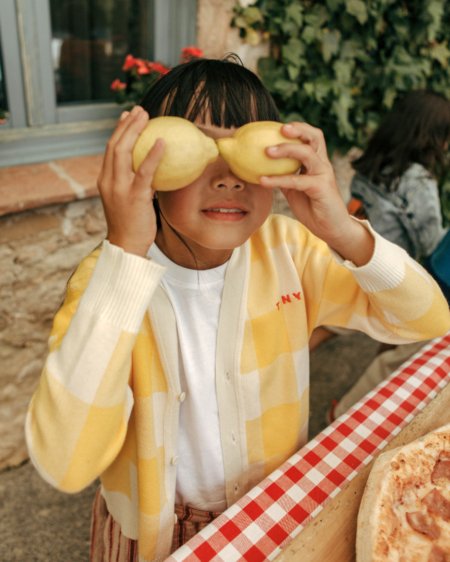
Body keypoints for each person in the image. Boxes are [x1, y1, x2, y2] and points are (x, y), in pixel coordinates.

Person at [25, 57, 450, 562]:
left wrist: (342, 229)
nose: (228, 177)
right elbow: (65, 463)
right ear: (146, 169)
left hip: (271, 514)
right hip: (150, 534)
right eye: (198, 148)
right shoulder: (107, 284)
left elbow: (428, 319)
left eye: (248, 150)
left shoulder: (290, 251)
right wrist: (124, 257)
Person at [332, 90, 450, 420]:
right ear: (430, 136)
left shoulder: (372, 162)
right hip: (394, 274)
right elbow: (432, 246)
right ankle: (356, 409)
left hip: (357, 260)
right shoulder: (416, 180)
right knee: (399, 354)